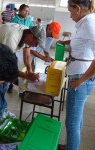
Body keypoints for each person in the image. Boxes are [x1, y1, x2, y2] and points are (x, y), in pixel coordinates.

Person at [0, 23, 44, 123]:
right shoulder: (12, 38)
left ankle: (3, 109)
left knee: (6, 83)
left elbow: (27, 56)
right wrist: (26, 75)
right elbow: (5, 65)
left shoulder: (26, 32)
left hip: (2, 50)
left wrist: (30, 72)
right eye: (36, 42)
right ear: (31, 36)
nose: (36, 45)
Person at [57, 0, 95, 150]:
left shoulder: (89, 24)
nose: (70, 15)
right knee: (76, 119)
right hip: (80, 76)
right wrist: (65, 42)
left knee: (71, 122)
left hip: (81, 78)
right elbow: (81, 41)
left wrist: (80, 81)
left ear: (78, 8)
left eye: (70, 11)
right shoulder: (85, 22)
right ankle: (69, 146)